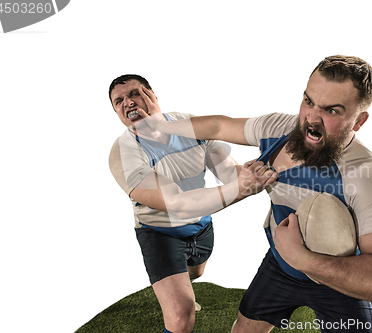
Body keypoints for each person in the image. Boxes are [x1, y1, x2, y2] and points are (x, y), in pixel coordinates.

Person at [144, 55, 372, 333]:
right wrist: (160, 125)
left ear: (359, 121)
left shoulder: (366, 176)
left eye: (332, 111)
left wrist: (301, 258)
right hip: (281, 267)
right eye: (308, 101)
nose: (311, 119)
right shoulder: (277, 130)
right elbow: (220, 127)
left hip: (338, 280)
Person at [107, 74, 277, 333]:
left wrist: (260, 171)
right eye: (118, 101)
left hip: (201, 226)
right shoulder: (124, 153)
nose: (128, 103)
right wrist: (241, 188)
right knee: (180, 318)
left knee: (196, 274)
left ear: (152, 94)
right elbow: (176, 203)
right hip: (159, 233)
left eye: (134, 94)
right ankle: (174, 294)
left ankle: (179, 283)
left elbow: (230, 174)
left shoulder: (191, 125)